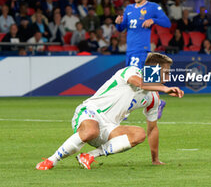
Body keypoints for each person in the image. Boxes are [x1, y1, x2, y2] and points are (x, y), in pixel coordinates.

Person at [36, 52, 184, 170]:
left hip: (109, 126)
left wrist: (155, 160)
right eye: (165, 72)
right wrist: (164, 88)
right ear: (153, 71)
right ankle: (51, 160)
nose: (168, 77)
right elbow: (139, 83)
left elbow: (152, 129)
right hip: (90, 112)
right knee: (91, 131)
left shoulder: (153, 98)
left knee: (139, 134)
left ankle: (88, 156)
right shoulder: (131, 71)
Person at [115, 0, 171, 119]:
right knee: (144, 82)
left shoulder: (153, 7)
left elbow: (167, 23)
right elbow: (122, 28)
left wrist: (153, 20)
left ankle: (125, 111)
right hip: (130, 50)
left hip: (142, 50)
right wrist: (118, 23)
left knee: (133, 81)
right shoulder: (128, 8)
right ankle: (158, 103)